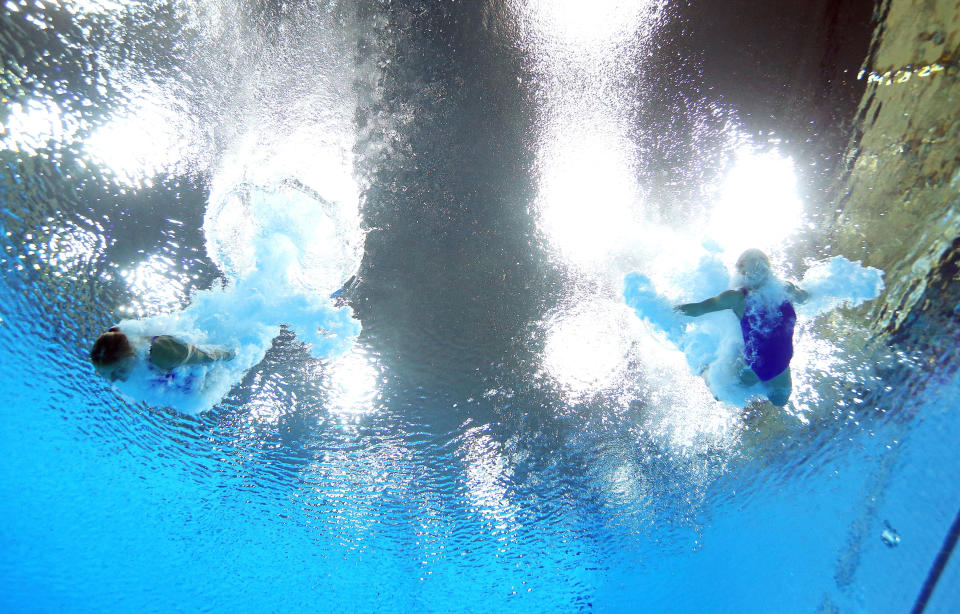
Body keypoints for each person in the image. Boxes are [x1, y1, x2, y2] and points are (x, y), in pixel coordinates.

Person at [675, 249, 809, 407]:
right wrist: (665, 310)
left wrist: (813, 291)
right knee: (721, 394)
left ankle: (739, 365)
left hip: (781, 363)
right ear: (742, 272)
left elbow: (804, 297)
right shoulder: (737, 298)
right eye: (753, 264)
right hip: (752, 366)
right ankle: (705, 369)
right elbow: (698, 309)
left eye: (761, 263)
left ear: (768, 268)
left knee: (780, 400)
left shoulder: (784, 289)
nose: (758, 268)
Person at [90, 326, 235, 384]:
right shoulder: (121, 342)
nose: (115, 380)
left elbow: (208, 356)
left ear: (131, 355)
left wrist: (230, 354)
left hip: (198, 367)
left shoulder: (163, 353)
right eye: (105, 374)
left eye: (119, 371)